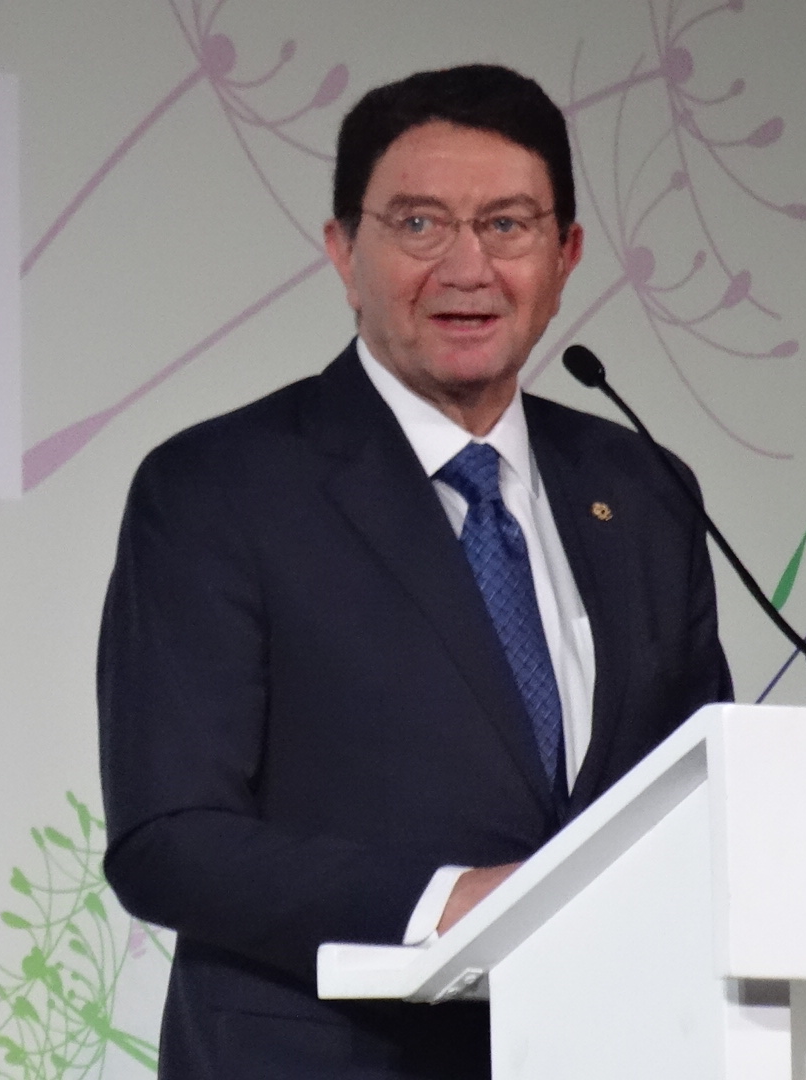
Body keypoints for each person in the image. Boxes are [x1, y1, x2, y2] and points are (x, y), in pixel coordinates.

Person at [97, 64, 732, 1080]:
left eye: (508, 225)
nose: (467, 267)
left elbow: (697, 803)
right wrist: (445, 903)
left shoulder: (643, 492)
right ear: (344, 252)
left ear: (565, 255)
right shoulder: (219, 488)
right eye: (421, 224)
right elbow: (168, 839)